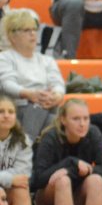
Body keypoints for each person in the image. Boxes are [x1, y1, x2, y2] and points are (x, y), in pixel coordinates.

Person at [0, 10, 65, 140]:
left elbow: (58, 84)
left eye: (34, 29)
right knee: (49, 118)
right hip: (17, 108)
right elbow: (6, 84)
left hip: (46, 106)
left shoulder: (47, 60)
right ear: (13, 36)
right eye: (26, 30)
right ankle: (25, 147)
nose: (33, 34)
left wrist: (56, 96)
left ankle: (25, 151)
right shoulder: (5, 58)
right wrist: (30, 94)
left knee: (65, 117)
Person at [0, 96, 33, 205]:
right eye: (1, 111)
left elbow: (23, 174)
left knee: (21, 190)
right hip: (6, 186)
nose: (6, 115)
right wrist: (9, 178)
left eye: (11, 111)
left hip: (9, 191)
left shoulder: (23, 140)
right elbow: (15, 177)